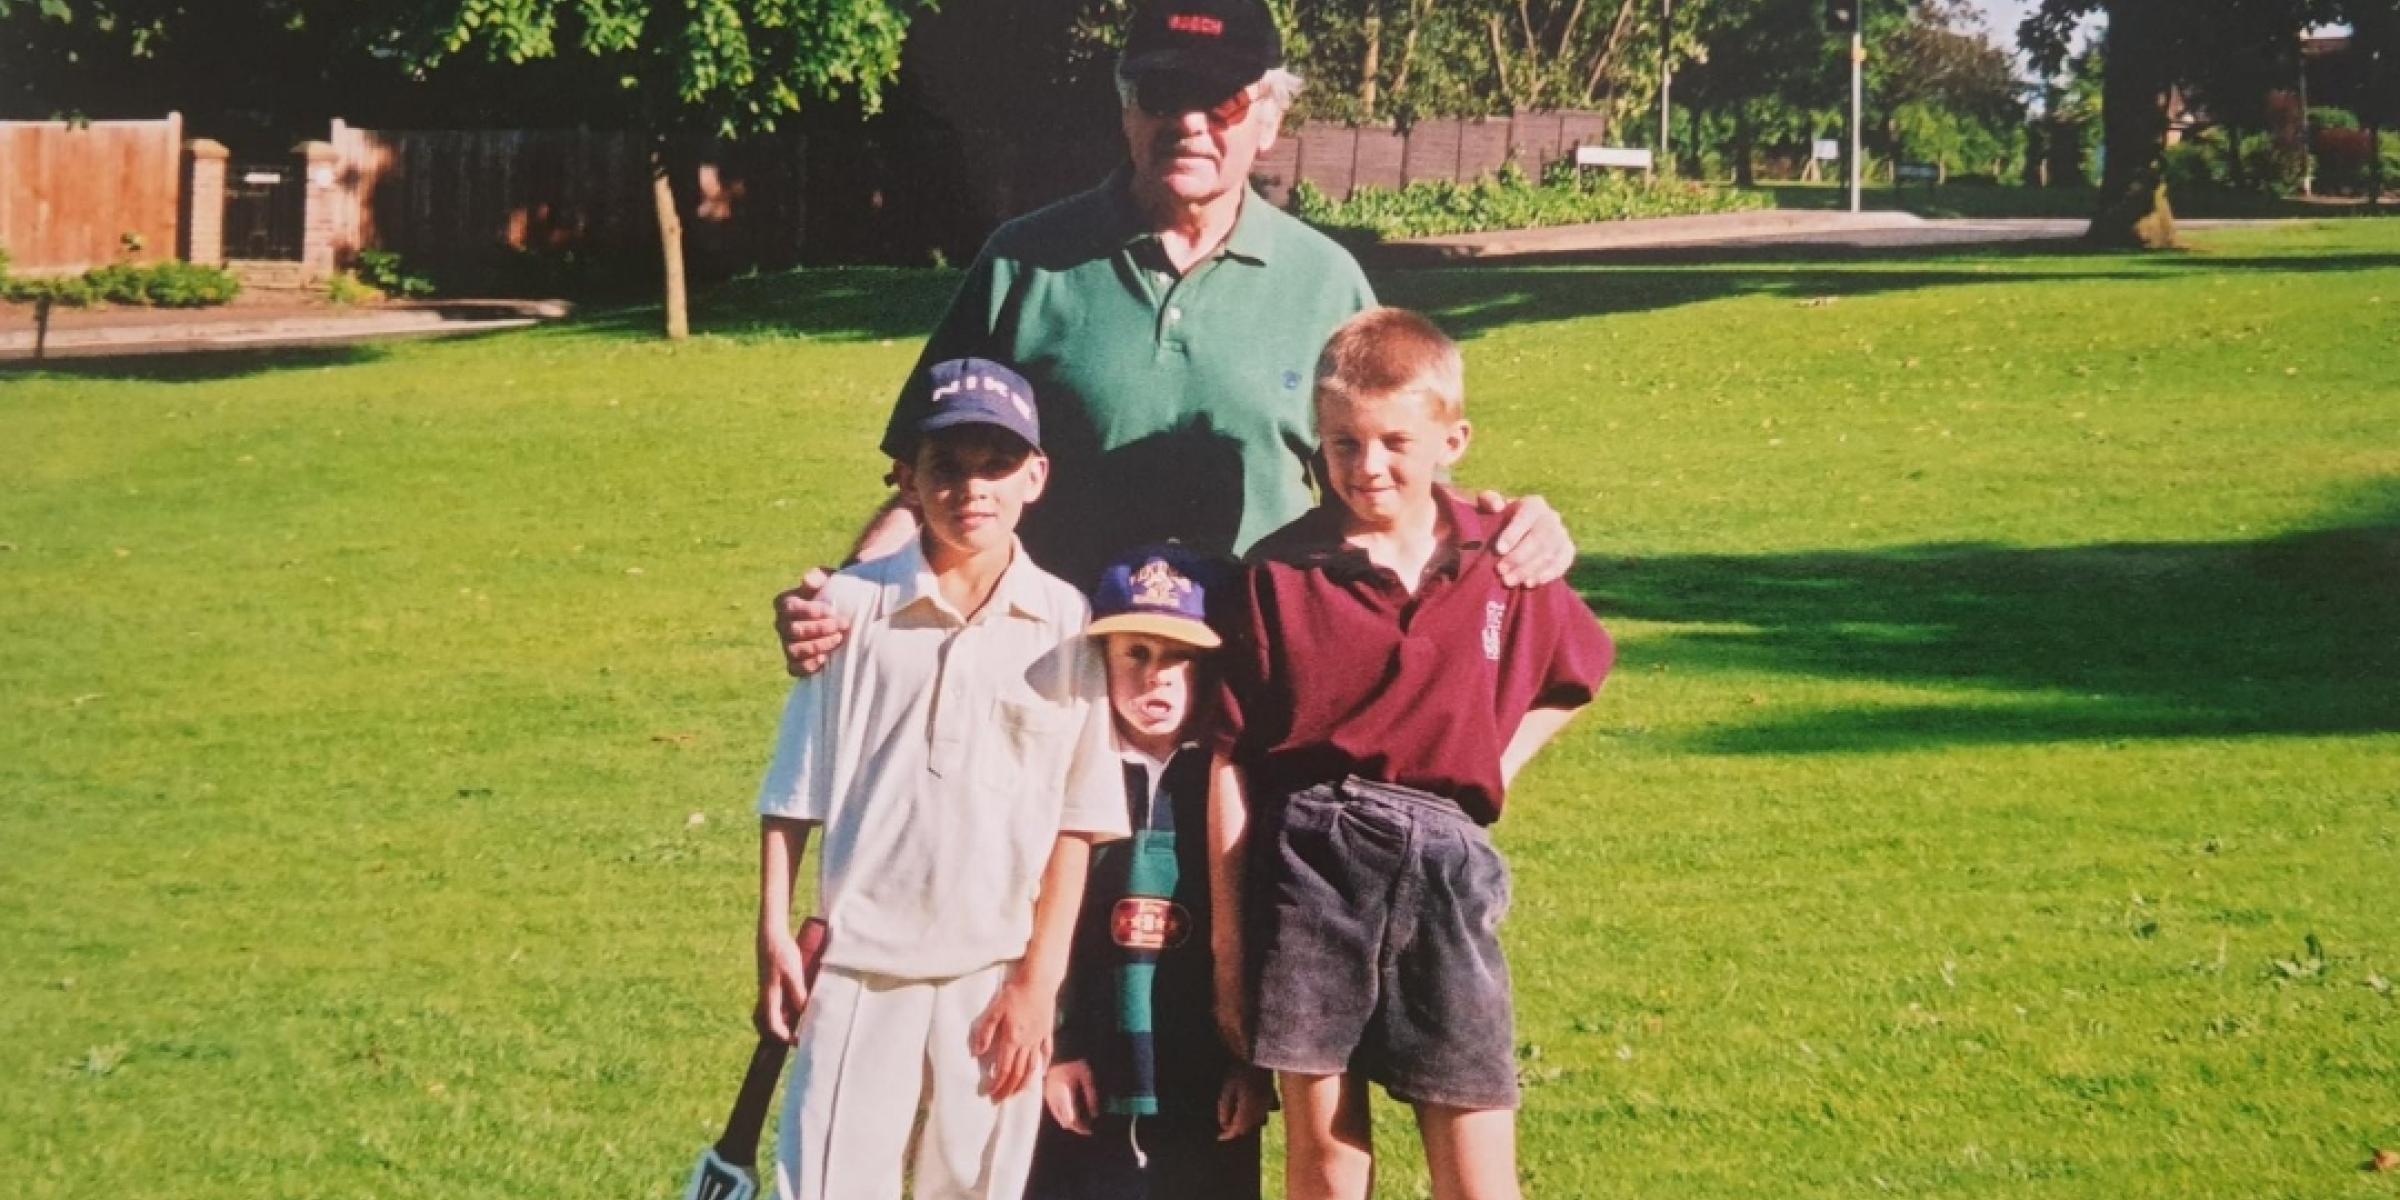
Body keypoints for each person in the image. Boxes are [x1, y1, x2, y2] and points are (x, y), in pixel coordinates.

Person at [773, 0, 1577, 676]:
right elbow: (928, 483)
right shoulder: (1025, 262)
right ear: (1126, 110)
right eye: (1162, 92)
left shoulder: (1325, 282)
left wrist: (1503, 528)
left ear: (1270, 118)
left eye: (1222, 99)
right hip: (1046, 673)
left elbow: (1381, 476)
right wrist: (845, 594)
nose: (1189, 123)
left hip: (1257, 683)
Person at [1208, 309, 1616, 1200]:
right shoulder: (1278, 576)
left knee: (1475, 1160)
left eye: (1396, 440)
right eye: (1342, 443)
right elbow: (1230, 762)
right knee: (1326, 1160)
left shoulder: (1501, 558)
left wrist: (1491, 769)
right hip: (1309, 864)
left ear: (1452, 438)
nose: (1368, 466)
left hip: (1446, 868)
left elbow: (1577, 676)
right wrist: (1230, 950)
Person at [752, 357, 1128, 1200]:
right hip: (858, 965)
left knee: (973, 1184)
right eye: (946, 467)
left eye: (997, 465)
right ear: (907, 479)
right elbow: (792, 791)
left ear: (1036, 476)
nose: (972, 489)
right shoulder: (849, 607)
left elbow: (1080, 817)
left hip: (993, 973)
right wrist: (775, 929)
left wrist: (1040, 982)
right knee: (829, 1183)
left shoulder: (1065, 622)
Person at [1025, 543, 1273, 1200]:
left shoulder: (1227, 787)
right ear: (1100, 660)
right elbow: (1045, 922)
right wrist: (1060, 1042)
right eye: (1134, 653)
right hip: (1090, 1058)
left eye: (1177, 658)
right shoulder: (1075, 774)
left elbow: (1256, 931)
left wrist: (1248, 1064)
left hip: (1201, 1061)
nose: (1154, 677)